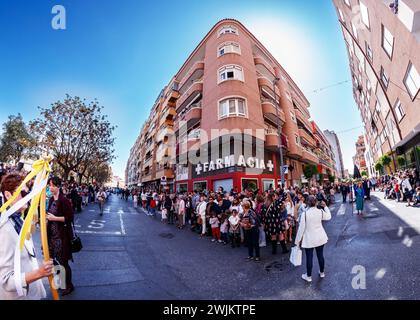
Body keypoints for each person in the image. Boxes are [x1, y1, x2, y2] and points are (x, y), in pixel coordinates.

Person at [0, 173, 54, 300]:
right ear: (8, 195)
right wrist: (39, 273)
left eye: (28, 193)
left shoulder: (20, 221)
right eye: (23, 194)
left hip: (32, 293)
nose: (28, 198)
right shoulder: (3, 229)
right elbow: (6, 280)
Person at [46, 176, 75, 296]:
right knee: (55, 262)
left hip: (62, 237)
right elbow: (49, 213)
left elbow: (70, 218)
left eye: (52, 185)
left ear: (58, 186)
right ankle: (60, 283)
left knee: (63, 262)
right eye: (49, 185)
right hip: (53, 237)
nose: (50, 188)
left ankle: (68, 286)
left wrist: (54, 218)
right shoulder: (52, 200)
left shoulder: (64, 200)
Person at [295, 195, 331, 283]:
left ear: (307, 203)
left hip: (309, 239)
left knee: (309, 257)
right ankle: (322, 272)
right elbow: (329, 217)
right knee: (320, 255)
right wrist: (325, 207)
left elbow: (301, 229)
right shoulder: (320, 211)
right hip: (320, 237)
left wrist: (297, 241)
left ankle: (309, 276)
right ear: (316, 203)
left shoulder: (305, 214)